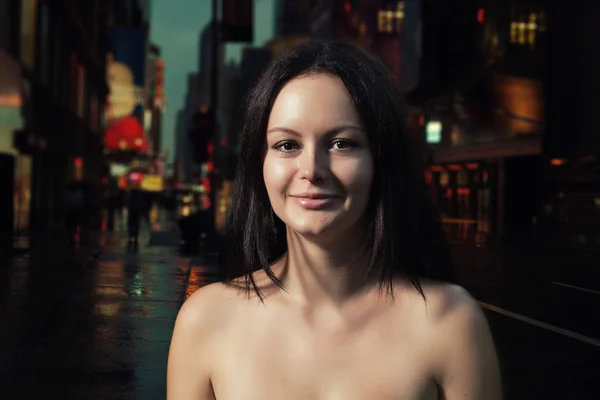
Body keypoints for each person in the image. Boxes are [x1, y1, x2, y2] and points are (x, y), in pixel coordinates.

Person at [167, 40, 502, 399]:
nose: (312, 169)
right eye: (287, 145)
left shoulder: (451, 322)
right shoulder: (205, 319)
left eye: (342, 143)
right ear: (259, 164)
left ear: (380, 160)